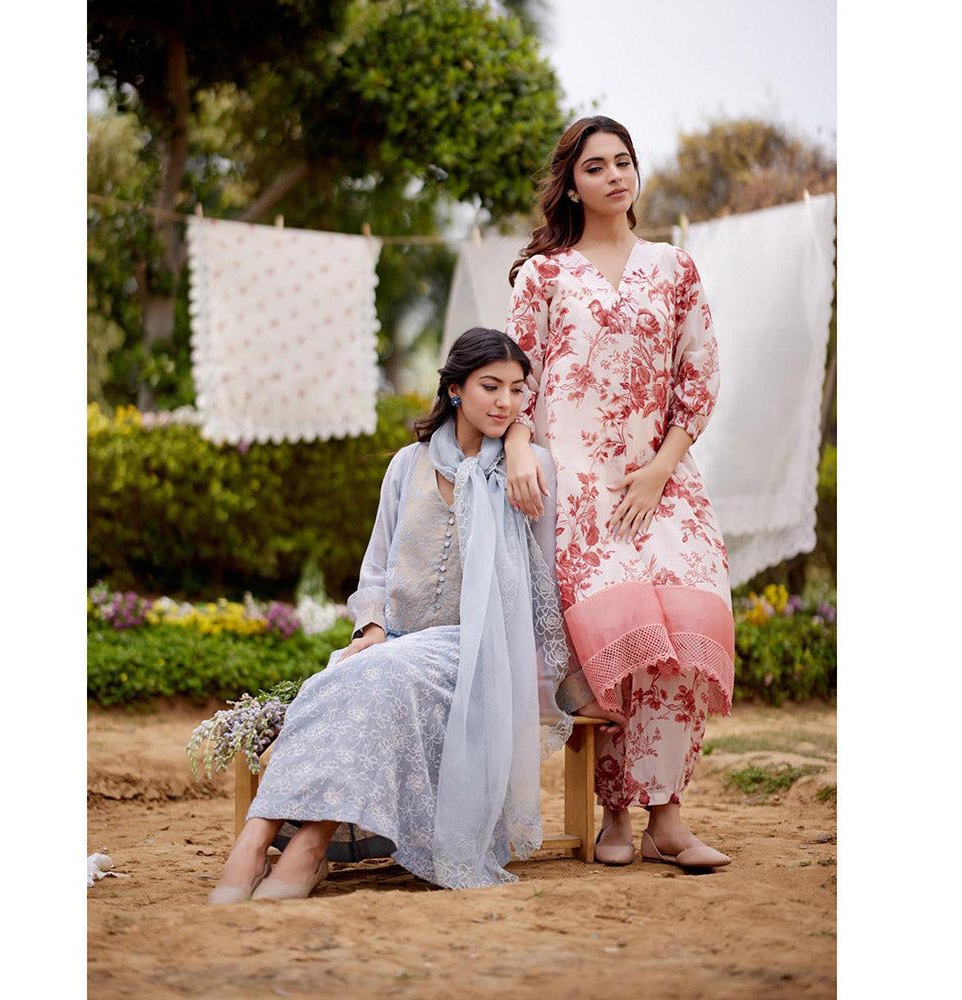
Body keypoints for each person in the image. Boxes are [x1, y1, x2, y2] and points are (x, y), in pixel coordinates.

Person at [208, 327, 571, 903]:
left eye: (517, 389)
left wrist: (555, 681)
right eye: (490, 386)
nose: (506, 402)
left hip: (480, 653)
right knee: (339, 675)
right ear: (454, 389)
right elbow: (376, 568)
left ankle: (305, 851)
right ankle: (255, 841)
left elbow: (544, 579)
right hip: (397, 645)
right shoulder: (408, 464)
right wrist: (372, 630)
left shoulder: (529, 469)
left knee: (378, 675)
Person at [504, 116, 733, 870]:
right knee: (624, 640)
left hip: (664, 485)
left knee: (684, 633)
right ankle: (614, 815)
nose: (613, 176)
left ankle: (667, 815)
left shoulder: (674, 268)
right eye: (595, 166)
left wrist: (662, 468)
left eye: (623, 162)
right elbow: (517, 379)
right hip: (580, 494)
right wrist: (517, 449)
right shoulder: (543, 276)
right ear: (572, 185)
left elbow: (699, 375)